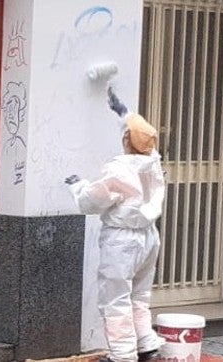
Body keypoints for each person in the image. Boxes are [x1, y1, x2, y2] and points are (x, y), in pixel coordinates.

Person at [65, 108, 167, 362]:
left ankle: (122, 356)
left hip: (122, 241)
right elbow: (143, 134)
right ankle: (146, 346)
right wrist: (123, 111)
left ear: (125, 141)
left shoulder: (119, 168)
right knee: (139, 296)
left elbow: (93, 201)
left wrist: (78, 185)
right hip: (149, 237)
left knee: (115, 298)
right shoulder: (153, 162)